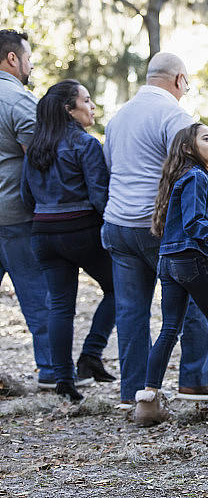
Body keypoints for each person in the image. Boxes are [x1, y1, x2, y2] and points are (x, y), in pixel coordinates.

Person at [102, 52, 208, 409]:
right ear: (179, 80)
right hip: (159, 227)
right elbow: (187, 171)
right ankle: (196, 380)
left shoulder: (117, 117)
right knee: (198, 296)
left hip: (118, 223)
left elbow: (110, 165)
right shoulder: (175, 116)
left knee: (130, 310)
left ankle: (133, 390)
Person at [134, 123, 208, 426]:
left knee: (169, 330)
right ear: (188, 148)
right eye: (206, 139)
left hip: (168, 261)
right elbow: (194, 224)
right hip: (190, 260)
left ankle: (147, 403)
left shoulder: (182, 176)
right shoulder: (196, 177)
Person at [19, 80, 116, 401]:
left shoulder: (35, 147)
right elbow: (100, 197)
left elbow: (25, 196)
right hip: (81, 231)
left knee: (60, 306)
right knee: (119, 288)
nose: (91, 107)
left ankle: (63, 379)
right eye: (86, 100)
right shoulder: (85, 144)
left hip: (43, 233)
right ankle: (91, 354)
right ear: (69, 109)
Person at [0, 29, 57, 389]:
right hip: (14, 216)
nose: (31, 64)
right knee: (38, 297)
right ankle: (50, 371)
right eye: (29, 57)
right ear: (12, 59)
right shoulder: (19, 101)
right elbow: (37, 161)